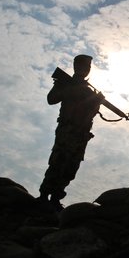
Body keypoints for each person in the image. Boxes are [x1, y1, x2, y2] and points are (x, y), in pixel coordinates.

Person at [39, 54, 104, 211]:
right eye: (83, 66)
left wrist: (97, 102)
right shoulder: (65, 82)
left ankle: (56, 197)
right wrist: (71, 90)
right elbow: (51, 99)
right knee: (58, 161)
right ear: (76, 66)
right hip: (67, 129)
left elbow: (91, 113)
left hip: (81, 134)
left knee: (71, 166)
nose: (86, 70)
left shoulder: (89, 91)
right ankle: (43, 196)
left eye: (88, 67)